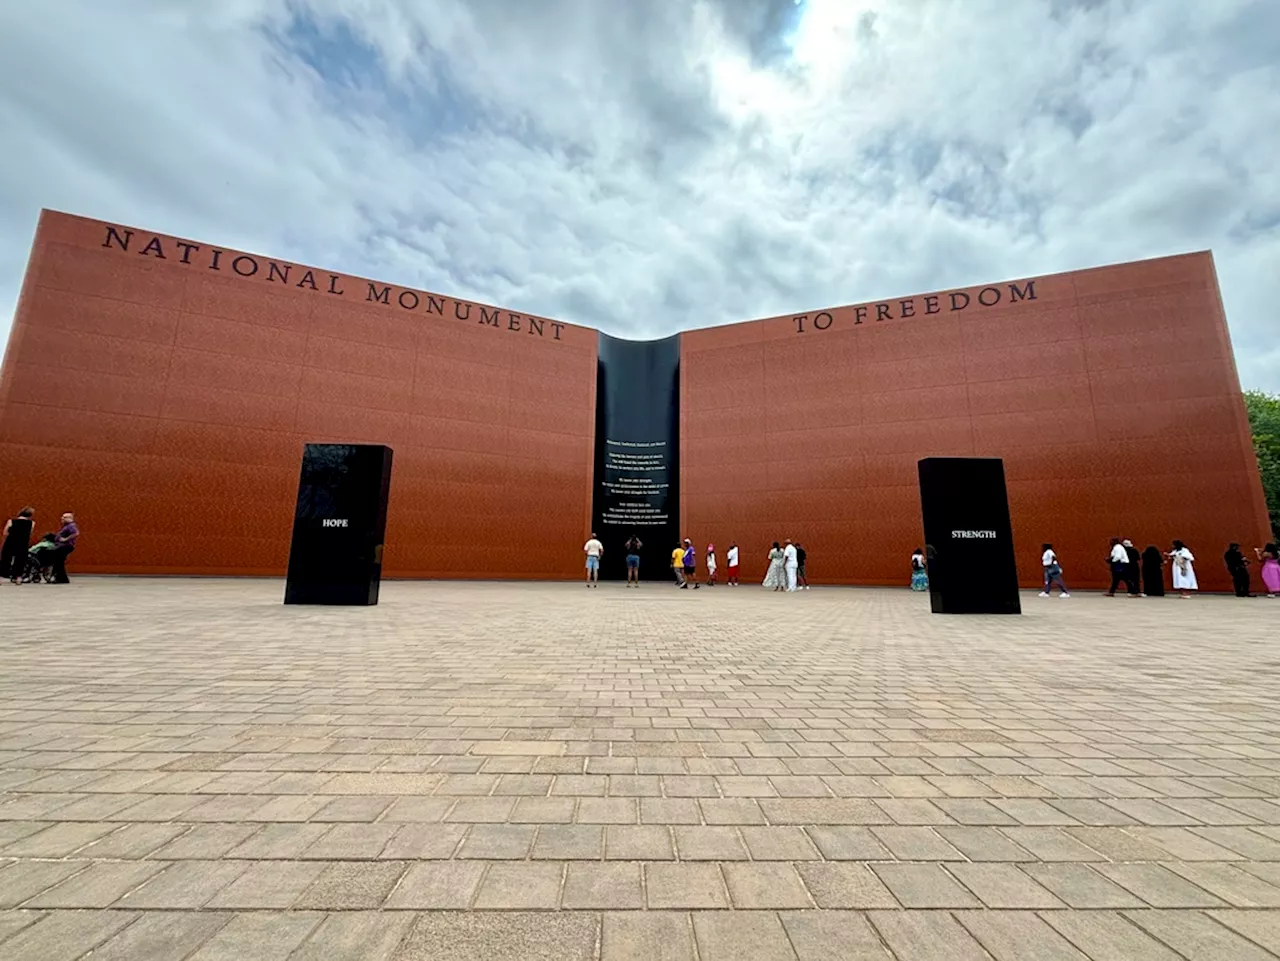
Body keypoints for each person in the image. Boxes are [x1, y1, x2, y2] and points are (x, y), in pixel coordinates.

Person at [1, 506, 35, 584]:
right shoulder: (32, 523)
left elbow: (5, 532)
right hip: (23, 543)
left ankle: (1, 577)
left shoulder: (11, 521)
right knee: (20, 560)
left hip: (10, 542)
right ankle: (18, 578)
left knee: (6, 559)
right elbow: (30, 534)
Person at [48, 512, 79, 584]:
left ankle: (60, 578)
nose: (62, 518)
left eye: (64, 517)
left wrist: (66, 539)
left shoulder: (71, 526)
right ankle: (62, 578)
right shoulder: (66, 526)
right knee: (59, 562)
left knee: (58, 562)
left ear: (70, 518)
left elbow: (76, 533)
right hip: (62, 546)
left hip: (65, 546)